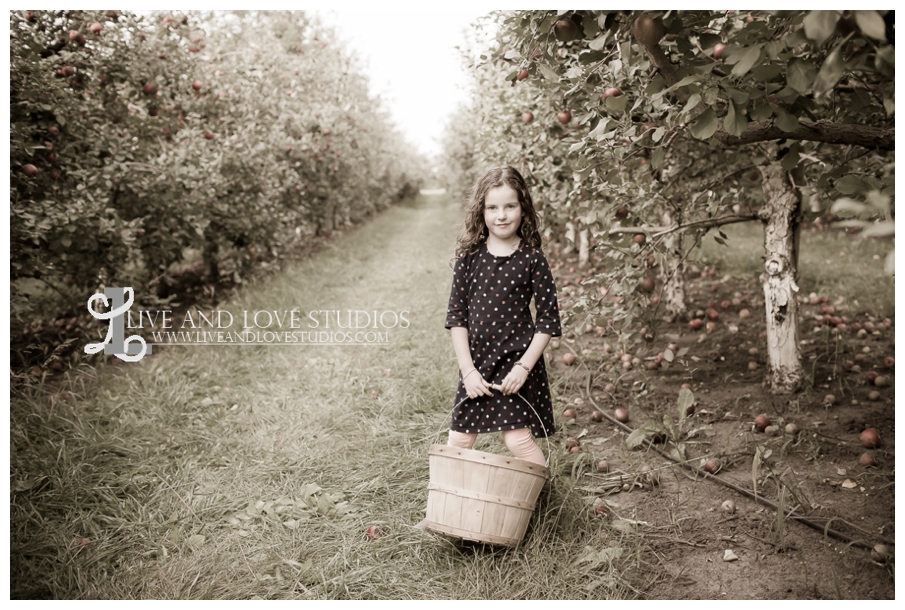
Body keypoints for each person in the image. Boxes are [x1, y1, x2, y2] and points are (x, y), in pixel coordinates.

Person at [444, 166, 562, 466]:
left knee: (517, 439)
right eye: (492, 207)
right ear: (481, 212)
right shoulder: (469, 260)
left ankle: (538, 498)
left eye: (510, 206)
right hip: (477, 363)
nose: (502, 215)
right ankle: (449, 501)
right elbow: (457, 318)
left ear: (523, 208)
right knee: (459, 439)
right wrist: (467, 370)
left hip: (516, 363)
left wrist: (524, 367)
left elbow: (547, 320)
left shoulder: (532, 258)